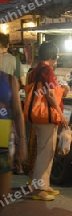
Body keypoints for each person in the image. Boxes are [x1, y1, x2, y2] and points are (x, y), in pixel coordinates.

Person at [28, 42, 69, 201]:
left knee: (44, 150)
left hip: (36, 115)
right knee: (46, 152)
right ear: (52, 56)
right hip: (46, 117)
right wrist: (60, 114)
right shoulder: (48, 70)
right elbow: (51, 95)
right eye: (56, 55)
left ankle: (43, 184)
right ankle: (39, 189)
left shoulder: (34, 70)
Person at [0, 69, 27, 209]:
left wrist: (22, 141)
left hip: (3, 140)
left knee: (2, 199)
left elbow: (17, 112)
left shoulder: (10, 80)